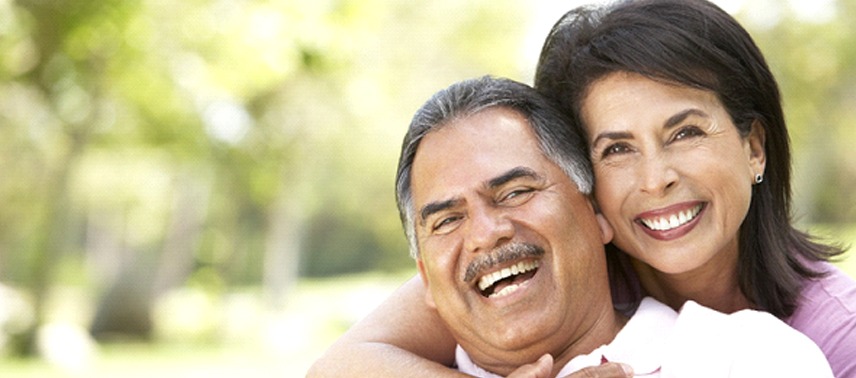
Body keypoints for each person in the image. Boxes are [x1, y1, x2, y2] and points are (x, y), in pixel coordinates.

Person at [307, 0, 856, 376]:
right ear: (590, 190)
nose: (655, 177)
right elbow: (337, 365)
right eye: (616, 148)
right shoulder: (515, 278)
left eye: (685, 132)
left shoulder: (799, 344)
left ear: (754, 148)